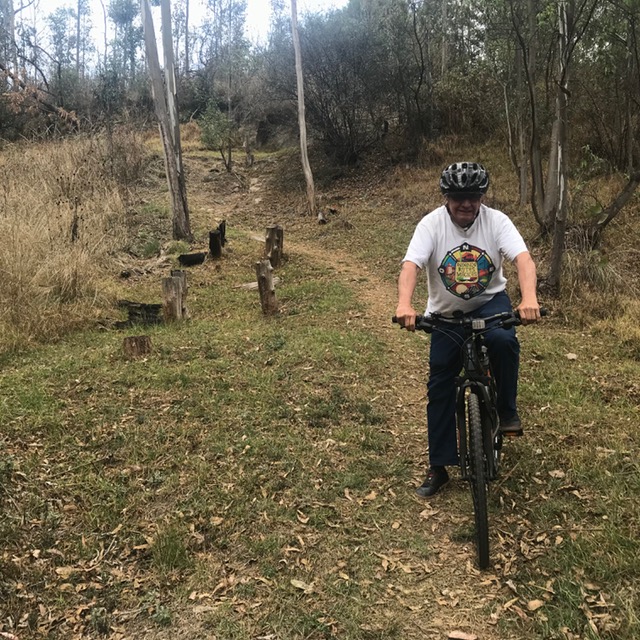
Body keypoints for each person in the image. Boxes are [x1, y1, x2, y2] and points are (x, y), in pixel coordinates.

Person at [394, 162, 540, 498]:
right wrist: (405, 304)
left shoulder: (496, 221)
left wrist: (529, 297)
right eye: (458, 197)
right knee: (441, 384)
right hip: (445, 313)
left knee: (503, 340)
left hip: (490, 304)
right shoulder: (430, 225)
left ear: (481, 197)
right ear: (446, 197)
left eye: (473, 196)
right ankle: (440, 465)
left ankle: (506, 410)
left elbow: (523, 259)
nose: (466, 204)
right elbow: (411, 265)